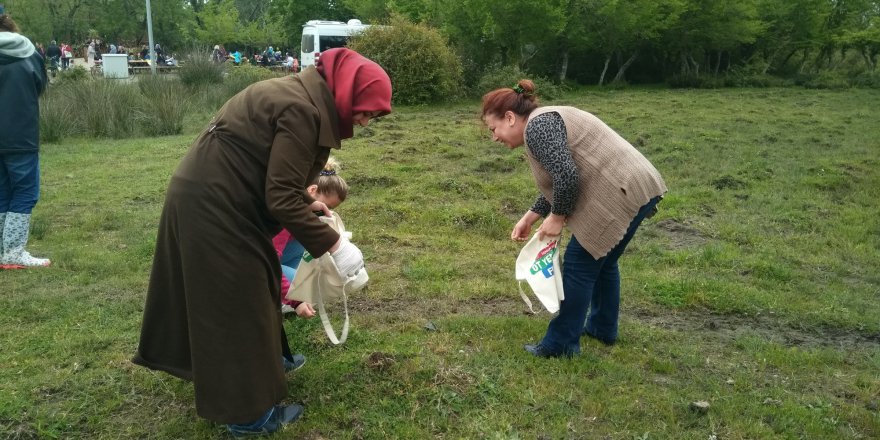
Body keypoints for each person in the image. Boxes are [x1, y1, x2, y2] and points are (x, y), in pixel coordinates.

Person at [132, 48, 391, 436]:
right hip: (216, 206)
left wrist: (311, 205)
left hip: (217, 197)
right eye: (366, 111)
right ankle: (249, 418)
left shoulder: (299, 95)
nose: (365, 122)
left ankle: (270, 367)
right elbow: (281, 195)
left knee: (260, 281)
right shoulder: (302, 109)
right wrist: (335, 246)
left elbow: (274, 175)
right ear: (346, 93)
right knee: (239, 300)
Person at [481, 80, 666, 358]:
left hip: (621, 189)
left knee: (580, 266)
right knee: (603, 262)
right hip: (639, 184)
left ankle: (560, 344)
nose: (494, 137)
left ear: (509, 118)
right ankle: (602, 328)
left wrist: (556, 218)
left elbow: (567, 176)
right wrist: (531, 217)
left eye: (493, 129)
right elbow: (561, 177)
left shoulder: (537, 127)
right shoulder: (543, 122)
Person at [0, 12, 51, 269]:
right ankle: (12, 251)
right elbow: (40, 84)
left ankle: (2, 248)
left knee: (2, 191)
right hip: (20, 133)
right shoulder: (28, 51)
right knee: (24, 192)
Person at [276, 157, 350, 316]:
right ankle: (279, 299)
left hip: (280, 255)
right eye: (326, 206)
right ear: (311, 191)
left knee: (310, 278)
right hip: (257, 265)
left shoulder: (305, 214)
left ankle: (285, 292)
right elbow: (269, 262)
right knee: (303, 288)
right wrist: (296, 301)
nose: (327, 212)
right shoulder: (286, 217)